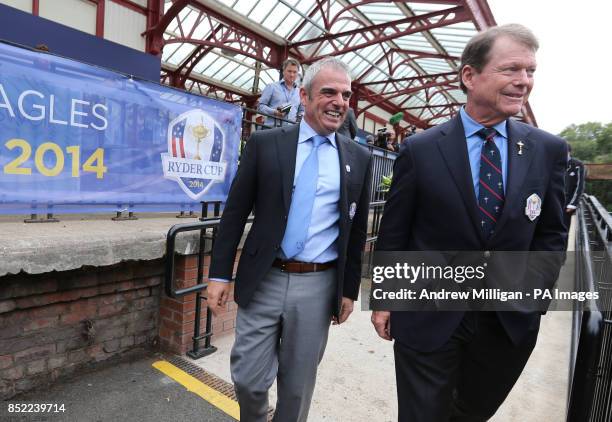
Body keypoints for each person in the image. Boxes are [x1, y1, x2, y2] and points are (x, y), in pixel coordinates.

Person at [371, 24, 567, 422]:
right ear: (469, 76)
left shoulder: (547, 150)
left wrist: (534, 301)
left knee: (471, 415)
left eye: (530, 71)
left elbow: (551, 235)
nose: (523, 81)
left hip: (506, 324)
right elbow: (395, 232)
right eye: (511, 69)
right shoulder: (420, 149)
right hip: (426, 314)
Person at [207, 57, 372, 422]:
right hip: (264, 277)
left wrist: (348, 290)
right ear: (304, 95)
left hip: (318, 284)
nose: (339, 102)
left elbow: (356, 230)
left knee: (297, 390)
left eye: (346, 95)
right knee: (249, 379)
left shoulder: (359, 157)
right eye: (328, 92)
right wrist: (219, 274)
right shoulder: (266, 144)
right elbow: (234, 212)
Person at [257, 58, 304, 128]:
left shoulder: (299, 92)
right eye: (289, 71)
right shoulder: (272, 87)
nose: (292, 75)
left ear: (297, 73)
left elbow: (301, 111)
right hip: (271, 129)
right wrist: (274, 112)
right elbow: (260, 106)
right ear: (283, 71)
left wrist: (299, 120)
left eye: (295, 72)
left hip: (289, 132)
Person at [564, 143, 586, 233]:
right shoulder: (555, 163)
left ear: (569, 152)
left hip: (568, 204)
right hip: (555, 203)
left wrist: (573, 204)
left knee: (564, 230)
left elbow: (579, 185)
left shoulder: (577, 165)